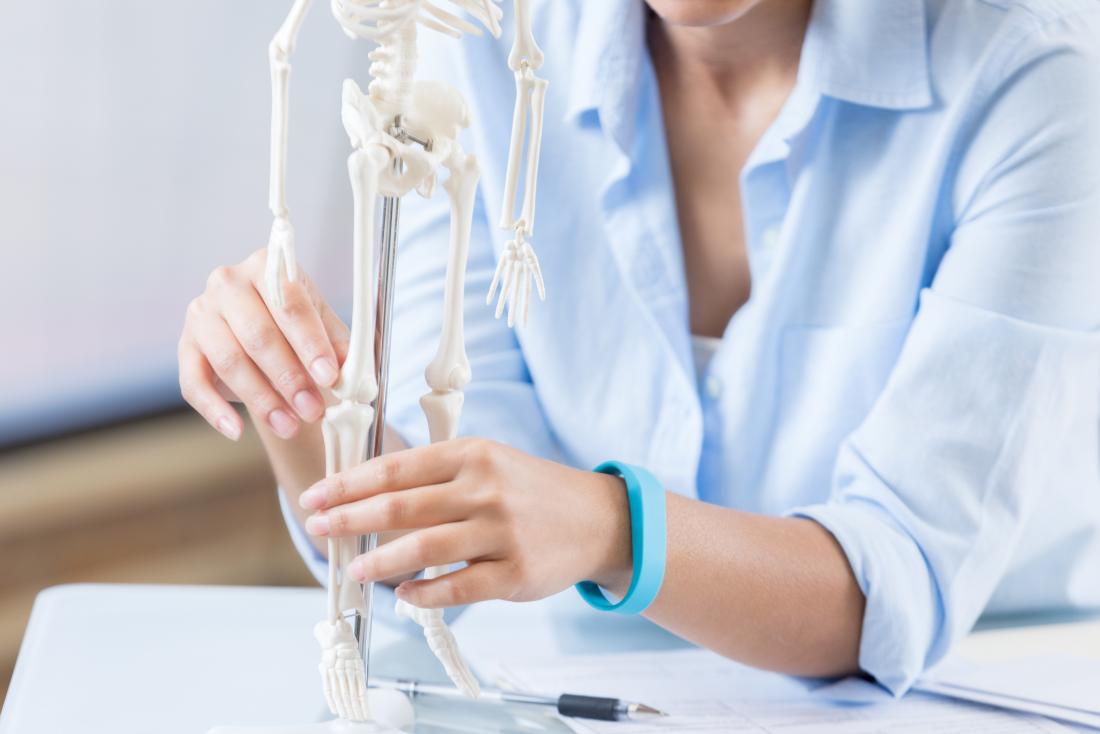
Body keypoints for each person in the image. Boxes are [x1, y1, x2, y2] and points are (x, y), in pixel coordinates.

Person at [177, 0, 1100, 694]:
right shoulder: (490, 43)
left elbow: (890, 590)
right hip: (609, 690)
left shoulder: (1036, 83)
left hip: (984, 684)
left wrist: (608, 526)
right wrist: (295, 394)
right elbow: (446, 530)